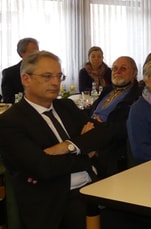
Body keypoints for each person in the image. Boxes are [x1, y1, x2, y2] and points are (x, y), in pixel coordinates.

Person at [0, 50, 110, 228]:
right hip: (56, 198)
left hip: (96, 184)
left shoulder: (66, 106)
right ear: (26, 79)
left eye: (59, 76)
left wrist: (68, 146)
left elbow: (103, 133)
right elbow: (43, 168)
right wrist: (85, 152)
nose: (55, 82)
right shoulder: (10, 122)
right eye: (47, 76)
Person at [90, 56, 141, 177]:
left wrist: (100, 127)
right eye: (114, 68)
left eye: (123, 69)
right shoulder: (107, 90)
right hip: (90, 135)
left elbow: (127, 127)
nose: (117, 72)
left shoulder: (138, 95)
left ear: (134, 73)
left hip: (112, 146)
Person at [1, 37, 39, 103]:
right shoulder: (9, 73)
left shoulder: (44, 70)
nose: (36, 55)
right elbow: (8, 100)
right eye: (33, 52)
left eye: (38, 52)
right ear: (21, 53)